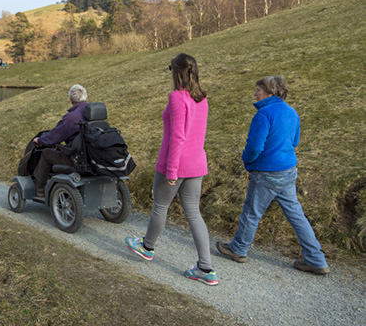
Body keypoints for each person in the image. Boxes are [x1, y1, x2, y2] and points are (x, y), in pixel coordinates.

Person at [216, 76, 330, 275]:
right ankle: (316, 259)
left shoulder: (263, 114)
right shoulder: (292, 112)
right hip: (288, 171)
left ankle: (238, 249)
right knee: (296, 216)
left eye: (258, 90)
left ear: (269, 92)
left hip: (266, 173)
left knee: (251, 213)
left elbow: (254, 146)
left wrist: (248, 162)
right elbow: (294, 141)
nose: (255, 93)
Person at [125, 53, 218, 286]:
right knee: (194, 213)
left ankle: (147, 247)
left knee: (160, 206)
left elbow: (178, 136)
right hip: (197, 164)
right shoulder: (202, 98)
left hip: (175, 164)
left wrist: (172, 170)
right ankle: (206, 268)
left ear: (176, 72)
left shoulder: (177, 97)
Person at [32, 84, 88, 197]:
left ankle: (40, 187)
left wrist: (40, 140)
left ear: (71, 100)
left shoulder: (71, 117)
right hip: (93, 156)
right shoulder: (95, 112)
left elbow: (53, 137)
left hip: (76, 158)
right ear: (87, 98)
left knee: (46, 153)